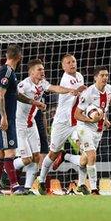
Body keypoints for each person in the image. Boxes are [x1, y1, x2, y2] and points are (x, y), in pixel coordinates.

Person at [13, 59, 74, 194]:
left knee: (36, 158)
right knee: (26, 159)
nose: (43, 71)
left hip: (31, 124)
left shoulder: (42, 83)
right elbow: (16, 95)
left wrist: (71, 90)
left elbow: (55, 88)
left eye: (43, 69)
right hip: (19, 124)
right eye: (39, 69)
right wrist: (35, 102)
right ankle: (8, 169)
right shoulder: (24, 84)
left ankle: (28, 189)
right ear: (31, 72)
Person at [0, 45, 43, 195]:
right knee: (11, 153)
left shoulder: (10, 72)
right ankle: (14, 186)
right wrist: (4, 117)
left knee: (1, 153)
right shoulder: (6, 71)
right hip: (4, 118)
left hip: (4, 117)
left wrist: (33, 102)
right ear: (20, 57)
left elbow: (16, 95)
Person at [38, 54, 87, 193]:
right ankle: (41, 180)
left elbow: (82, 93)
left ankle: (82, 184)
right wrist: (82, 90)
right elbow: (77, 92)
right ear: (63, 66)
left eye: (74, 61)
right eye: (68, 62)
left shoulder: (79, 76)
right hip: (62, 123)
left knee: (85, 151)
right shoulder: (67, 79)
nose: (72, 64)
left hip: (77, 122)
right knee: (52, 154)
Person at [69, 66, 111, 195]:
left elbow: (102, 108)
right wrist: (90, 120)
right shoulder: (88, 93)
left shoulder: (109, 89)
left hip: (98, 129)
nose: (105, 77)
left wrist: (104, 120)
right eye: (102, 75)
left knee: (84, 160)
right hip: (84, 127)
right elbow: (77, 114)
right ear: (95, 77)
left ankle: (79, 183)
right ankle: (94, 189)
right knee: (92, 155)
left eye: (106, 75)